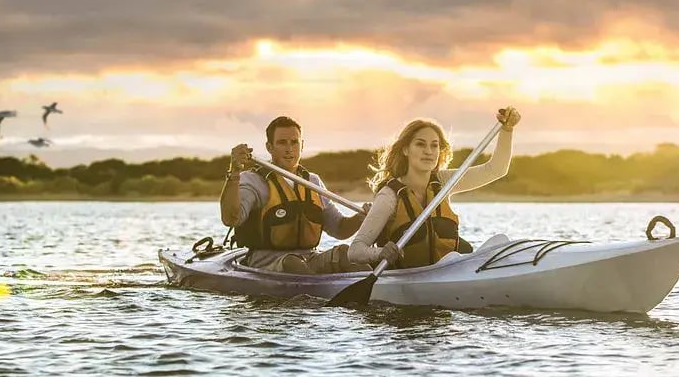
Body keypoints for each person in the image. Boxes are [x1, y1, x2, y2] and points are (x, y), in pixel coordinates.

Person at [348, 107, 521, 269]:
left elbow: (496, 169)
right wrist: (380, 253)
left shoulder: (443, 181)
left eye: (434, 145)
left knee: (500, 241)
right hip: (407, 277)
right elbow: (355, 251)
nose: (429, 151)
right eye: (420, 144)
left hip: (447, 271)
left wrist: (507, 130)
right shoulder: (389, 196)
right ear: (406, 150)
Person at [220, 116, 369, 273]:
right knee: (292, 263)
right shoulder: (253, 181)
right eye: (282, 142)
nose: (289, 149)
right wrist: (235, 172)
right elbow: (231, 218)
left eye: (294, 142)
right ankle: (314, 293)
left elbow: (340, 229)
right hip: (266, 262)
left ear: (302, 145)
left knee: (346, 254)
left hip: (309, 259)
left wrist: (361, 218)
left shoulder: (312, 181)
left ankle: (373, 289)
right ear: (269, 147)